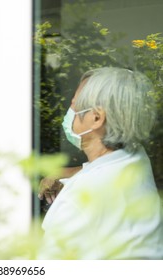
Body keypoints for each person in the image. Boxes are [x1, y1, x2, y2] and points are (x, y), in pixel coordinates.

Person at [38, 67, 163, 259]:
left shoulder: (78, 201)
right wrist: (64, 174)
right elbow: (100, 169)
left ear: (96, 118)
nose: (69, 111)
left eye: (74, 105)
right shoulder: (136, 156)